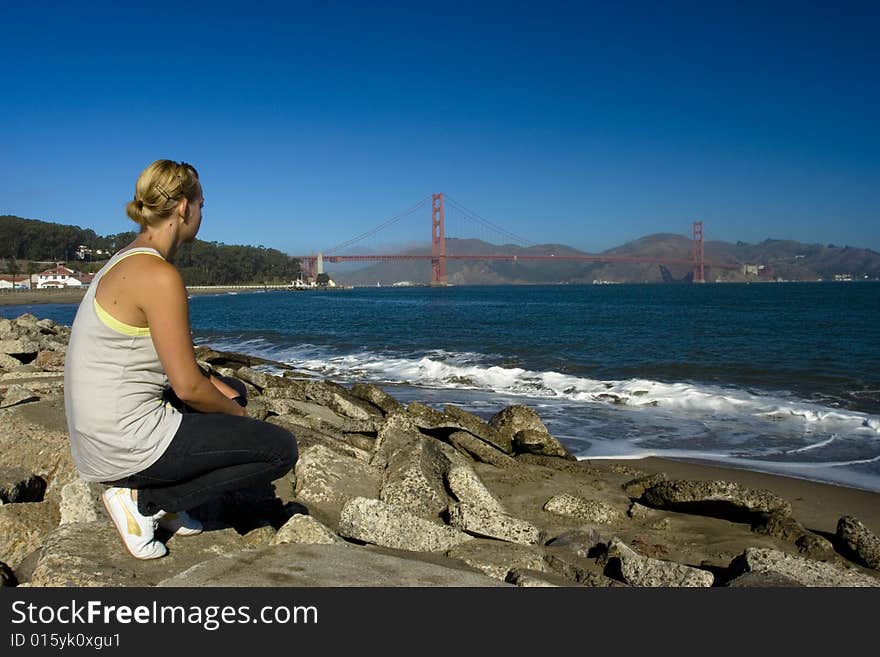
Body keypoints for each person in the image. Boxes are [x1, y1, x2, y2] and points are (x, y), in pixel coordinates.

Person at [64, 159, 297, 559]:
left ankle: (165, 501)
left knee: (233, 390)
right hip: (122, 442)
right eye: (203, 203)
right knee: (279, 449)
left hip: (95, 434)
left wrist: (222, 393)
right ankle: (147, 501)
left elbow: (163, 359)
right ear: (185, 208)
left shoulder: (125, 258)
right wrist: (238, 420)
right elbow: (188, 387)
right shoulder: (160, 276)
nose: (203, 213)